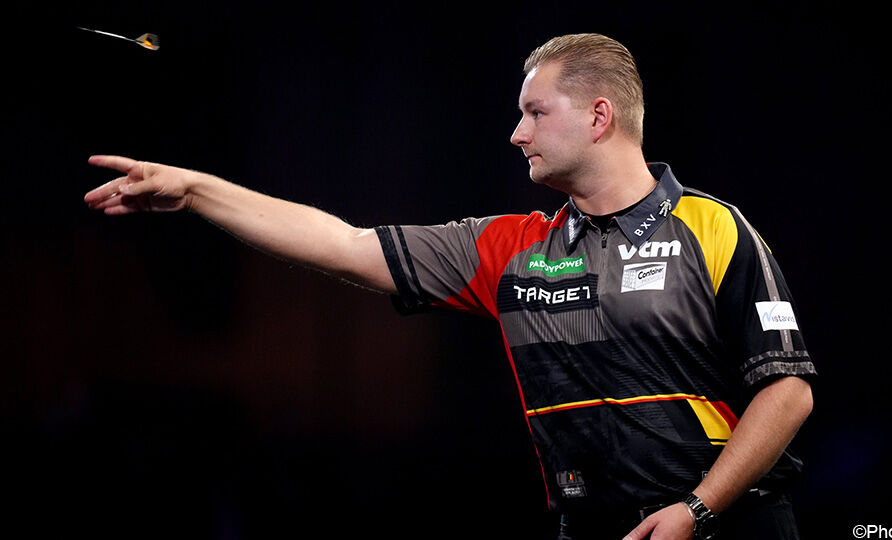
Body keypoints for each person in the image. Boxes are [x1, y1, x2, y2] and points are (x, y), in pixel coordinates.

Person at [85, 33, 815, 540]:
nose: (516, 134)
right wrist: (198, 191)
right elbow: (344, 245)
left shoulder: (712, 228)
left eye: (535, 113)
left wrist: (698, 510)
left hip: (730, 525)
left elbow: (787, 391)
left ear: (600, 117)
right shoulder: (511, 248)